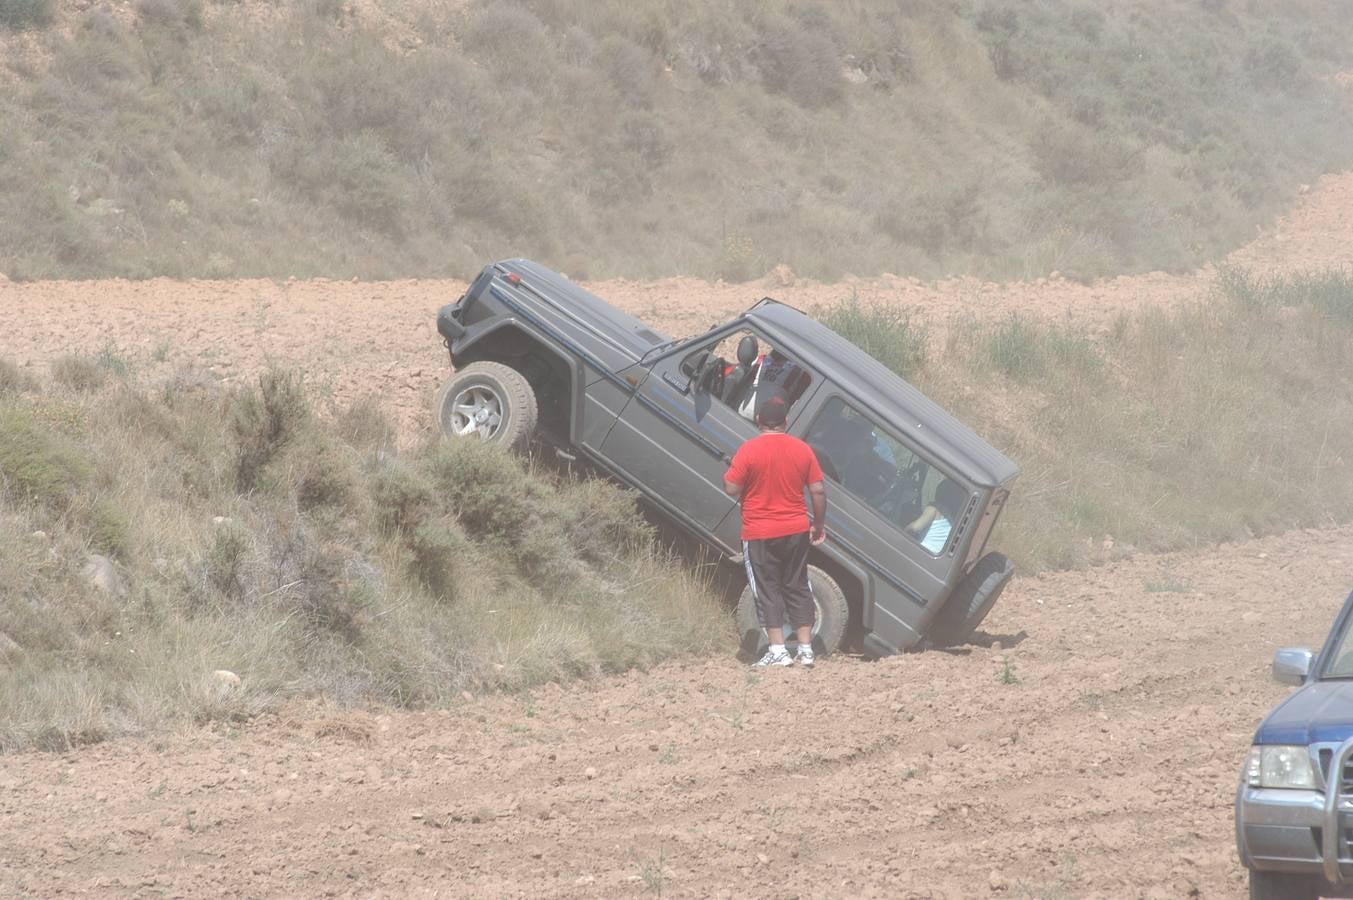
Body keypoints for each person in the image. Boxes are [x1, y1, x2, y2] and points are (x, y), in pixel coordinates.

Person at [723, 389, 827, 668]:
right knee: (797, 584)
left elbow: (731, 488)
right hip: (795, 529)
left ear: (758, 420)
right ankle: (806, 650)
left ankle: (778, 650)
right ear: (787, 421)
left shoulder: (749, 450)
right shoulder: (803, 450)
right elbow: (817, 490)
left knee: (767, 589)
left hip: (759, 532)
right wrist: (818, 523)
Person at [906, 479, 965, 554]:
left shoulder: (936, 508)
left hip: (922, 551)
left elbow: (915, 528)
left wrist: (904, 530)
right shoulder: (956, 518)